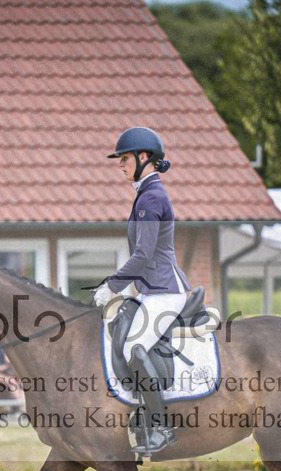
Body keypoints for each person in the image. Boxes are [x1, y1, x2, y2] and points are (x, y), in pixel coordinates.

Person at [94, 126, 190, 454]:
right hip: (150, 291)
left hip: (165, 292)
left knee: (135, 348)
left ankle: (162, 428)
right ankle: (141, 416)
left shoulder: (151, 197)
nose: (120, 164)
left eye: (124, 158)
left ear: (143, 157)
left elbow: (143, 254)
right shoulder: (145, 194)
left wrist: (112, 285)